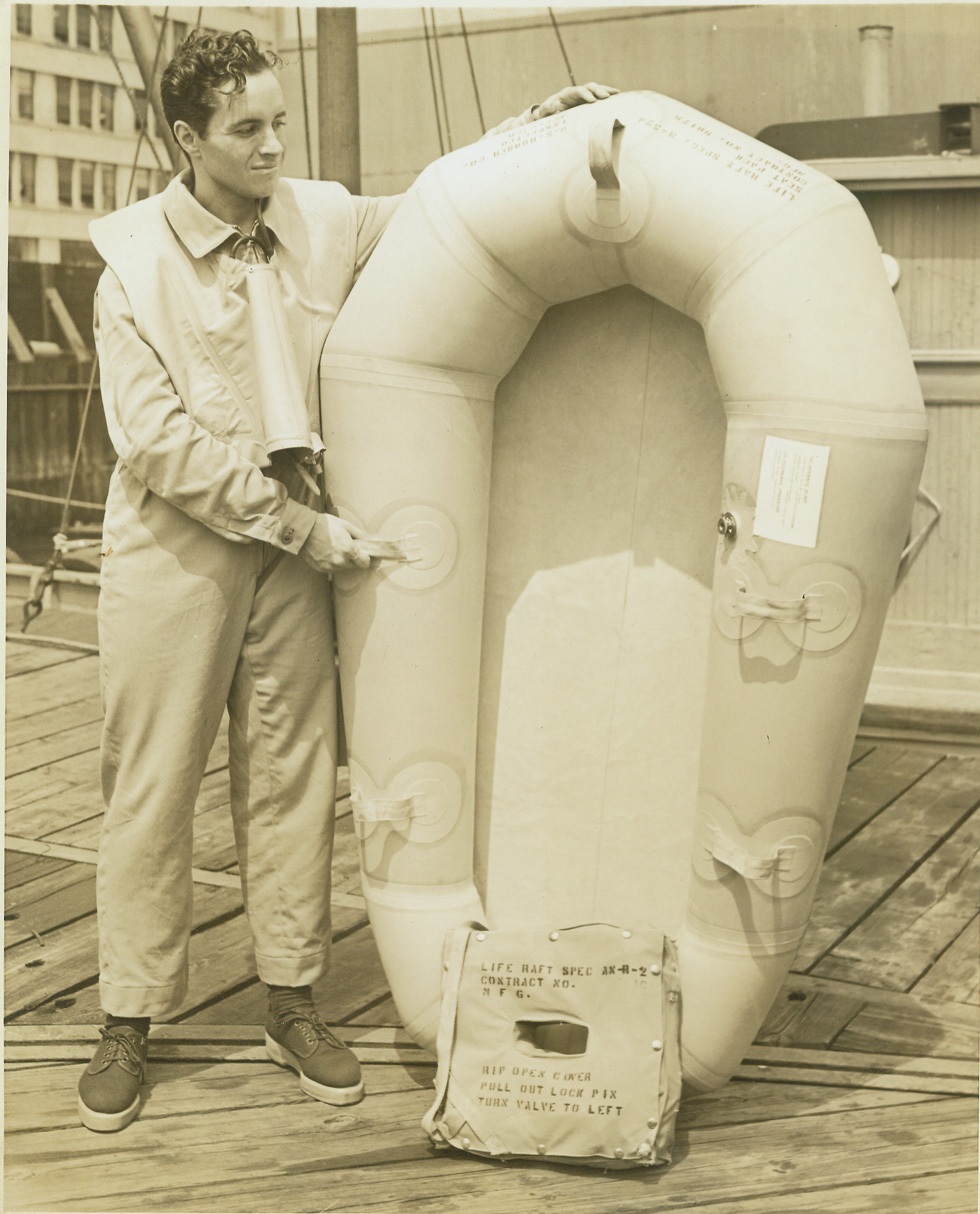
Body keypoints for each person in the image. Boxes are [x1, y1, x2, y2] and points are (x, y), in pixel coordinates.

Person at [77, 26, 617, 1133]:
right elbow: (155, 444)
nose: (274, 142)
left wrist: (535, 128)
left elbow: (434, 202)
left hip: (293, 552)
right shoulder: (128, 259)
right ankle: (130, 1014)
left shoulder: (317, 214)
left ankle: (288, 998)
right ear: (187, 138)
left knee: (289, 777)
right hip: (179, 551)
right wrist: (300, 529)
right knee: (152, 785)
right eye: (246, 129)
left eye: (280, 121)